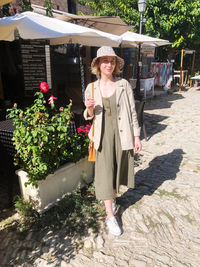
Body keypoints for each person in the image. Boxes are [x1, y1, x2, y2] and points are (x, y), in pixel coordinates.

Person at [84, 46, 142, 236]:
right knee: (105, 173)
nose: (108, 64)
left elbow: (133, 111)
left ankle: (113, 196)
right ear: (98, 65)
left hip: (122, 134)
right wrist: (89, 108)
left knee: (117, 170)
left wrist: (136, 136)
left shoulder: (124, 84)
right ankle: (110, 216)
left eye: (111, 61)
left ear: (115, 64)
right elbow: (89, 116)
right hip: (102, 137)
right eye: (104, 61)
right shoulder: (91, 88)